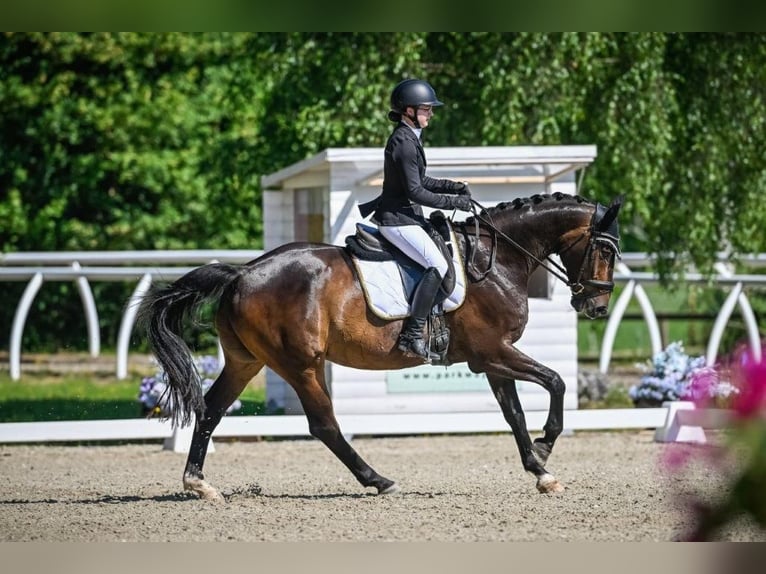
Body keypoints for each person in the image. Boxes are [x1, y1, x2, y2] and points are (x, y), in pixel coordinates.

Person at [361, 78, 474, 361]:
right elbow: (415, 192)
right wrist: (454, 203)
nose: (431, 114)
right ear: (408, 110)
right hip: (397, 220)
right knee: (436, 264)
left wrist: (453, 186)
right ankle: (411, 336)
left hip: (406, 216)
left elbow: (420, 179)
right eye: (426, 109)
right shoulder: (404, 142)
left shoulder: (410, 138)